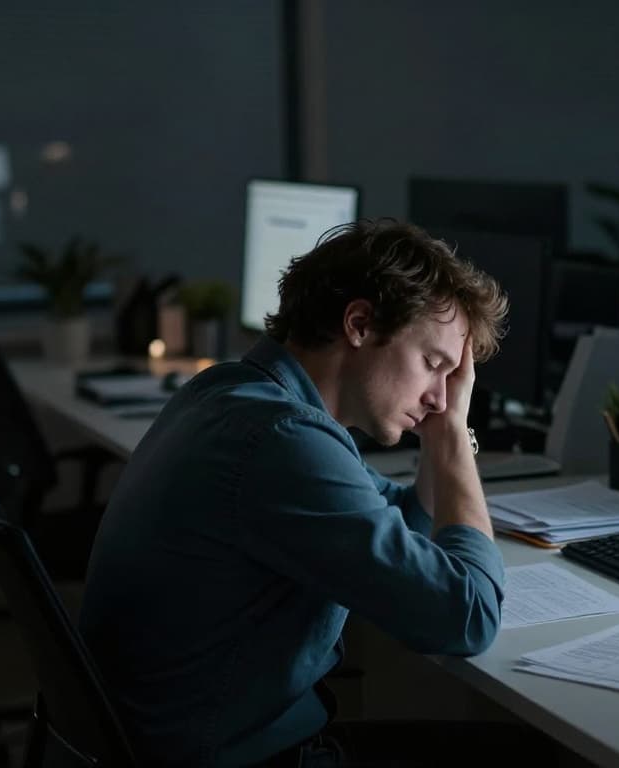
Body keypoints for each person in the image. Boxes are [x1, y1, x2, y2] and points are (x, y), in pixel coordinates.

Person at [79, 219, 544, 766]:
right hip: (231, 756)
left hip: (177, 741)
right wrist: (455, 446)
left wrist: (444, 430)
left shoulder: (232, 394)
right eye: (432, 365)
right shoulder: (281, 442)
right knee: (525, 755)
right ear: (360, 324)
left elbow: (397, 516)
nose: (441, 399)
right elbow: (466, 617)